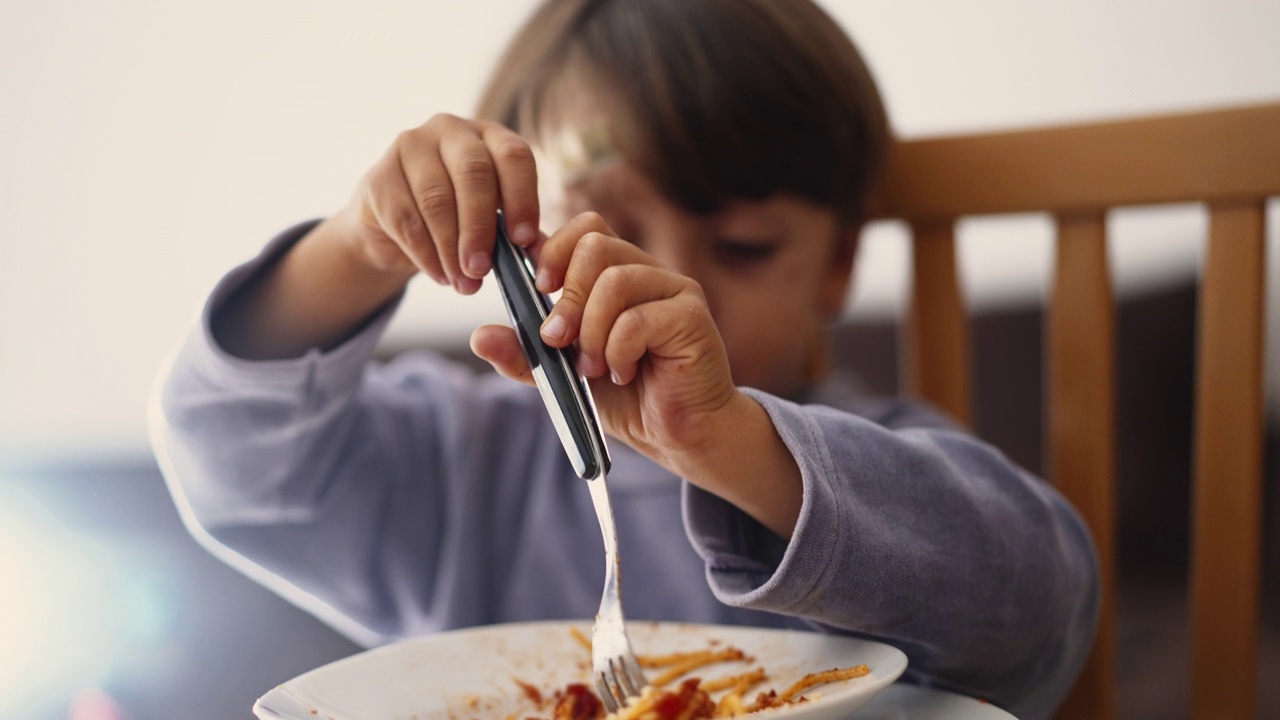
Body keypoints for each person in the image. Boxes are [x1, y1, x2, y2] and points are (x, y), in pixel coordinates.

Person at [150, 1, 1098, 718]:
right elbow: (227, 457)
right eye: (606, 228)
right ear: (516, 233)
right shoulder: (459, 468)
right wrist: (357, 249)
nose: (668, 283)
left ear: (838, 265)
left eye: (745, 245)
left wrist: (730, 443)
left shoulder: (884, 473)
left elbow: (1042, 616)